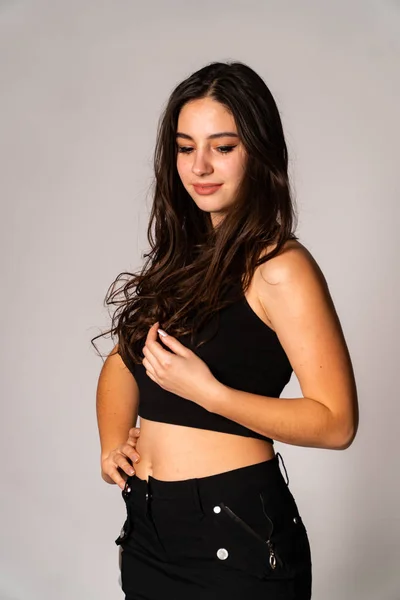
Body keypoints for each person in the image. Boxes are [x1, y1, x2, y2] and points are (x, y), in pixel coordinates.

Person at [93, 61, 358, 600]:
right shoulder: (181, 262)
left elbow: (336, 423)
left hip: (232, 532)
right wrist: (111, 444)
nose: (201, 166)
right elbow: (122, 363)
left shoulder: (279, 266)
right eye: (186, 147)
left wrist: (210, 394)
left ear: (258, 152)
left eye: (223, 146)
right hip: (148, 528)